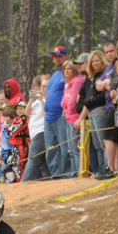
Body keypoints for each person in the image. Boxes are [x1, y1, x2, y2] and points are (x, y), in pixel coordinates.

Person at [74, 50, 111, 179]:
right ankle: (101, 169)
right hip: (91, 112)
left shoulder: (105, 74)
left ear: (102, 60)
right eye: (93, 61)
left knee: (103, 143)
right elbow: (86, 96)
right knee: (97, 145)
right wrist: (89, 100)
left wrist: (92, 100)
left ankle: (106, 167)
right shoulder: (92, 77)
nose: (95, 63)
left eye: (97, 60)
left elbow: (102, 95)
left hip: (101, 110)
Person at [43, 46, 70, 179]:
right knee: (50, 150)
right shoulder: (54, 75)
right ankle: (56, 177)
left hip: (61, 115)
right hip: (48, 116)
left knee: (65, 148)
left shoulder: (69, 73)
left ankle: (67, 176)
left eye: (60, 56)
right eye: (55, 57)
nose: (57, 59)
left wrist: (67, 106)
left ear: (66, 56)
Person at [99, 41, 118, 175]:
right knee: (112, 138)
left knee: (109, 138)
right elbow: (98, 85)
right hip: (109, 104)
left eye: (111, 51)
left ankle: (111, 168)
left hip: (115, 105)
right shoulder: (107, 68)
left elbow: (113, 86)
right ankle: (115, 168)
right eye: (106, 52)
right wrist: (105, 83)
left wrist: (106, 84)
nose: (109, 54)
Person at [22, 77, 51, 181]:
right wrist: (31, 99)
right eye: (41, 86)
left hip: (41, 131)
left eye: (45, 87)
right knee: (43, 162)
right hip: (34, 133)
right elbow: (26, 113)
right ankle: (50, 180)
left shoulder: (47, 100)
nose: (42, 89)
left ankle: (24, 182)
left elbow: (46, 113)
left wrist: (41, 100)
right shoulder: (35, 102)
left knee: (33, 159)